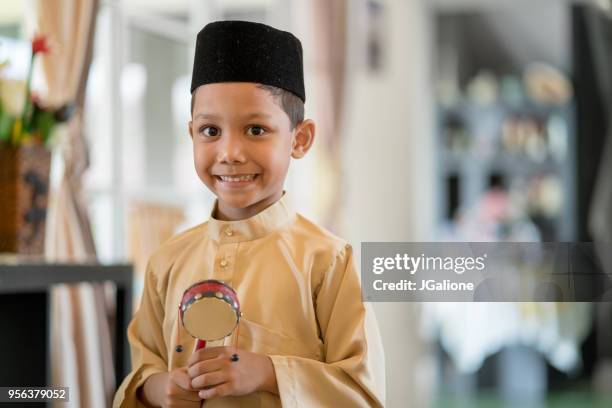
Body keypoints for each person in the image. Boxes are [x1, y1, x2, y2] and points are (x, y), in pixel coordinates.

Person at [113, 20, 385, 408]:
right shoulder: (166, 262)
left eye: (256, 130)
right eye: (210, 131)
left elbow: (365, 394)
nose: (230, 152)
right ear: (191, 133)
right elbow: (143, 370)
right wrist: (156, 389)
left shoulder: (331, 263)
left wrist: (270, 373)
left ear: (300, 138)